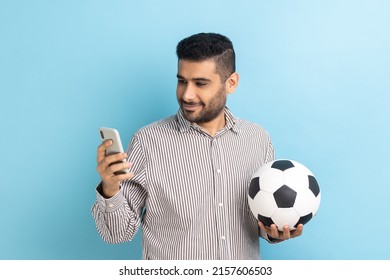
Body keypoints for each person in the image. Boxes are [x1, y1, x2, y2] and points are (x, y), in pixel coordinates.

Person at [92, 32, 303, 260]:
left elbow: (259, 219)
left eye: (200, 83)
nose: (187, 95)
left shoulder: (258, 139)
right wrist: (110, 189)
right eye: (182, 81)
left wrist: (276, 230)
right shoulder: (148, 142)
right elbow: (117, 234)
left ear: (230, 83)